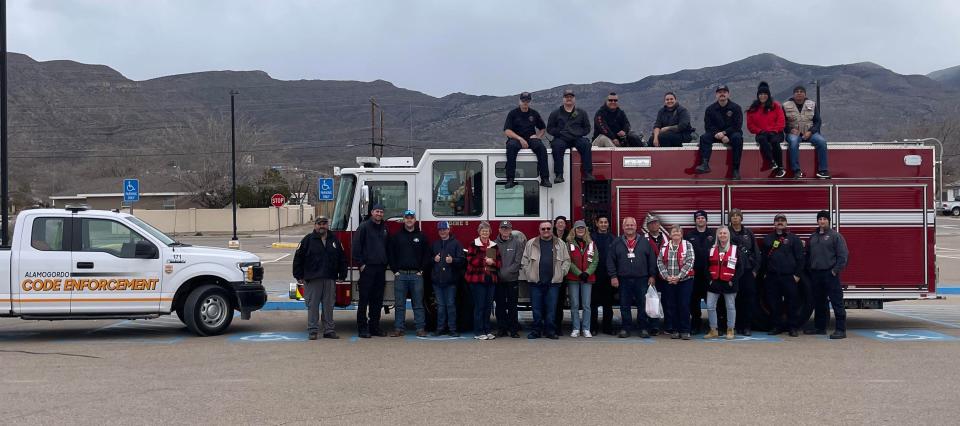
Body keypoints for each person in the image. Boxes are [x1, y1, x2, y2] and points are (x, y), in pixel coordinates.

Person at [292, 216, 347, 340]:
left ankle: (329, 330)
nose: (322, 226)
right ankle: (313, 330)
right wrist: (298, 275)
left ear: (328, 225)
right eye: (319, 224)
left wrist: (342, 275)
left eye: (324, 223)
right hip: (312, 279)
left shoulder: (334, 240)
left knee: (329, 306)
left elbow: (342, 258)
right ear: (315, 225)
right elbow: (298, 258)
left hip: (329, 278)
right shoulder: (307, 240)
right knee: (313, 306)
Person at [607, 216, 658, 338]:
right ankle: (626, 328)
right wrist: (613, 276)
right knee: (624, 305)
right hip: (623, 279)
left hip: (642, 279)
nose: (629, 227)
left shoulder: (645, 242)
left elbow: (651, 259)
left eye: (632, 225)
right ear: (623, 227)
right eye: (627, 225)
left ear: (636, 227)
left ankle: (643, 328)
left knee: (642, 304)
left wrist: (652, 275)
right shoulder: (617, 242)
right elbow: (610, 260)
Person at [521, 220, 571, 339]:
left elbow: (567, 260)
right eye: (543, 229)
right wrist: (529, 274)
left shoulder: (560, 243)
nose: (546, 231)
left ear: (551, 229)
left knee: (551, 309)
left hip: (553, 283)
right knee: (536, 309)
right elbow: (525, 261)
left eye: (548, 228)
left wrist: (561, 273)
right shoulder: (531, 243)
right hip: (536, 283)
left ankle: (550, 331)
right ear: (539, 230)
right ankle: (536, 331)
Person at [805, 210, 849, 339]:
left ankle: (841, 330)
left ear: (829, 221)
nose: (822, 221)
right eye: (820, 219)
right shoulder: (813, 237)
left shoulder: (836, 236)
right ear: (817, 221)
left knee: (837, 302)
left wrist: (834, 271)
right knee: (819, 303)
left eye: (824, 219)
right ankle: (820, 328)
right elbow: (808, 254)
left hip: (830, 275)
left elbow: (843, 256)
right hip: (816, 275)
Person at [387, 210, 431, 337]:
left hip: (416, 275)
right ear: (404, 220)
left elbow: (427, 255)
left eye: (411, 218)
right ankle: (399, 329)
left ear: (415, 220)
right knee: (399, 304)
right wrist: (395, 271)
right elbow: (391, 255)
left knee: (418, 304)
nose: (409, 220)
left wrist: (422, 270)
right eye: (407, 218)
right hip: (400, 275)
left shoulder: (422, 236)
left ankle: (420, 328)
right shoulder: (397, 236)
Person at [761, 213, 805, 337]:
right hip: (772, 276)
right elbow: (764, 258)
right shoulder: (768, 239)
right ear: (774, 223)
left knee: (792, 303)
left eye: (782, 220)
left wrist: (797, 275)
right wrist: (764, 273)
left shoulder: (794, 239)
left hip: (789, 276)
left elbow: (801, 258)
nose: (780, 222)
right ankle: (776, 326)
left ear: (786, 223)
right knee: (774, 303)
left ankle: (793, 327)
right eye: (777, 220)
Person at [352, 203, 390, 338]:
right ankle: (362, 328)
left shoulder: (385, 228)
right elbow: (356, 247)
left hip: (380, 269)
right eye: (377, 211)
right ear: (372, 212)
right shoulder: (364, 227)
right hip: (368, 269)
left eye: (381, 212)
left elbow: (387, 247)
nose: (379, 214)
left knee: (377, 300)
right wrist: (361, 265)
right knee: (364, 300)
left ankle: (374, 327)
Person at [503, 92, 552, 188]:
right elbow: (507, 131)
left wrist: (538, 136)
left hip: (531, 138)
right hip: (516, 139)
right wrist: (520, 139)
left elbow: (542, 128)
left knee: (541, 148)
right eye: (523, 100)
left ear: (530, 101)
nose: (525, 102)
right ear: (519, 101)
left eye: (527, 100)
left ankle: (545, 179)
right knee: (511, 147)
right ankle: (510, 179)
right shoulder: (513, 113)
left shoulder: (534, 113)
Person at [696, 84, 744, 180]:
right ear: (716, 95)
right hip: (716, 135)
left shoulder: (736, 108)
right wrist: (720, 135)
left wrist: (725, 133)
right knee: (704, 137)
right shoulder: (710, 109)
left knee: (738, 138)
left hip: (732, 134)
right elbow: (708, 126)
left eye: (724, 92)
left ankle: (735, 170)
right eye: (719, 92)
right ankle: (705, 164)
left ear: (728, 94)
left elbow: (737, 125)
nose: (722, 94)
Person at [704, 226, 744, 340]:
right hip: (714, 282)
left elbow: (740, 268)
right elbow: (706, 267)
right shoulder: (711, 249)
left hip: (729, 283)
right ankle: (713, 330)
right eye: (720, 233)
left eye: (725, 233)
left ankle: (730, 330)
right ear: (717, 235)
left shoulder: (735, 249)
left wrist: (733, 280)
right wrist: (710, 280)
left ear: (728, 235)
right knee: (710, 306)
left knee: (730, 307)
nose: (722, 235)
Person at [547, 89, 595, 183]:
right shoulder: (555, 113)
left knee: (586, 145)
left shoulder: (582, 113)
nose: (569, 99)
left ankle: (587, 173)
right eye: (566, 97)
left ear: (574, 99)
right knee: (556, 146)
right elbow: (549, 128)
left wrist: (577, 133)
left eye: (571, 97)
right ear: (563, 99)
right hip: (561, 139)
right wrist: (559, 132)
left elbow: (587, 128)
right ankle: (559, 175)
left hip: (577, 138)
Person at [657, 225, 696, 340]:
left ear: (682, 234)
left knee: (683, 305)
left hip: (685, 280)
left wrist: (679, 277)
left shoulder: (687, 245)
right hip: (669, 281)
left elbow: (690, 261)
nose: (676, 233)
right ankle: (675, 330)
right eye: (674, 231)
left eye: (678, 231)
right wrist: (667, 277)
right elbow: (660, 262)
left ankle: (685, 330)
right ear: (670, 234)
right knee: (671, 305)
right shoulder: (664, 246)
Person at [783, 85, 831, 179]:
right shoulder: (785, 105)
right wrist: (789, 130)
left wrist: (811, 131)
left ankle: (823, 171)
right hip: (794, 134)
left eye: (801, 91)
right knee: (793, 142)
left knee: (821, 142)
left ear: (805, 94)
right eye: (797, 92)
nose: (799, 93)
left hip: (810, 133)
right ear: (793, 94)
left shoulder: (812, 104)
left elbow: (818, 121)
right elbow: (782, 123)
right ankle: (796, 171)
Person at [464, 221, 501, 340]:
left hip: (490, 279)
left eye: (487, 231)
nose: (485, 233)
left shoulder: (492, 246)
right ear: (479, 232)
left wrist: (493, 262)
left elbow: (498, 263)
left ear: (490, 232)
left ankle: (487, 330)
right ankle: (479, 331)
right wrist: (486, 261)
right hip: (477, 280)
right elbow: (471, 260)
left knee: (488, 306)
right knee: (479, 306)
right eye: (483, 231)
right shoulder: (474, 244)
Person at [728, 208, 760, 336]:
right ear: (730, 219)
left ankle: (747, 326)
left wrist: (755, 270)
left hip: (747, 271)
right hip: (732, 272)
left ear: (741, 218)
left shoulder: (749, 233)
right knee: (733, 301)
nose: (735, 218)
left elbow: (756, 252)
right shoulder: (727, 233)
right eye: (733, 216)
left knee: (748, 300)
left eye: (737, 216)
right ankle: (735, 326)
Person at [430, 220, 464, 337]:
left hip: (451, 282)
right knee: (440, 307)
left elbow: (462, 260)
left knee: (450, 306)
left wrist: (452, 260)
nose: (442, 232)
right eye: (440, 230)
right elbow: (428, 260)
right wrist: (433, 260)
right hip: (437, 281)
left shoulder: (456, 244)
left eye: (444, 229)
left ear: (449, 230)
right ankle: (440, 328)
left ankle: (452, 329)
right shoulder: (435, 244)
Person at [565, 220, 598, 338]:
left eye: (582, 228)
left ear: (585, 230)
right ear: (574, 230)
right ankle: (575, 328)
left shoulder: (591, 244)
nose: (580, 230)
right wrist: (579, 273)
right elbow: (568, 260)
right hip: (574, 278)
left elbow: (595, 260)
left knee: (586, 305)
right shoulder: (568, 243)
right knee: (574, 304)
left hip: (587, 279)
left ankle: (586, 328)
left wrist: (587, 273)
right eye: (578, 228)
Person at [746, 82, 787, 178]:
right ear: (758, 95)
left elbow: (781, 121)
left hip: (776, 133)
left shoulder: (775, 106)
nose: (763, 96)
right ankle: (771, 162)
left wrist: (774, 131)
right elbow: (750, 126)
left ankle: (780, 167)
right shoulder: (753, 108)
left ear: (768, 95)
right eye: (760, 94)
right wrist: (760, 131)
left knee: (774, 141)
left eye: (765, 94)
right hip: (762, 133)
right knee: (761, 139)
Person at [494, 220, 525, 338]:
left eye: (507, 228)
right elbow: (491, 262)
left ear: (511, 230)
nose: (505, 230)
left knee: (513, 305)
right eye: (503, 228)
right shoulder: (493, 244)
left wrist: (505, 272)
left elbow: (518, 262)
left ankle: (513, 329)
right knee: (500, 305)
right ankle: (501, 329)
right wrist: (500, 273)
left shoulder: (517, 243)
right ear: (499, 230)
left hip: (512, 280)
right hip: (498, 280)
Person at [685, 210, 714, 334]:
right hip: (694, 273)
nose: (700, 220)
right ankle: (696, 324)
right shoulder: (689, 235)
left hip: (710, 273)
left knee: (711, 300)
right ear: (695, 221)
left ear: (706, 220)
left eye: (703, 218)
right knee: (694, 300)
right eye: (698, 218)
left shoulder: (713, 234)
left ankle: (713, 325)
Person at [642, 213, 668, 335]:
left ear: (659, 225)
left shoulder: (666, 238)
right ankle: (654, 326)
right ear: (647, 226)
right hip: (650, 275)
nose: (654, 225)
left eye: (656, 223)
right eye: (651, 223)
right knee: (651, 300)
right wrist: (650, 275)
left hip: (665, 274)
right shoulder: (643, 239)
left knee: (667, 301)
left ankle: (669, 325)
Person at [590, 215, 616, 335]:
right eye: (601, 222)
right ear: (597, 224)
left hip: (608, 276)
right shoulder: (591, 238)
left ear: (608, 224)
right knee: (593, 304)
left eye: (606, 222)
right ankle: (593, 327)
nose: (604, 224)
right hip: (594, 275)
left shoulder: (613, 239)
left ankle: (607, 327)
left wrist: (614, 275)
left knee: (608, 304)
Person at [552, 215, 570, 333]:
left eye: (562, 223)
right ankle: (549, 325)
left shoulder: (569, 238)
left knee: (559, 302)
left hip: (562, 275)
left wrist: (563, 272)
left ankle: (558, 326)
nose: (560, 224)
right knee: (550, 302)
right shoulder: (549, 236)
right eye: (558, 222)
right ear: (555, 224)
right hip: (550, 274)